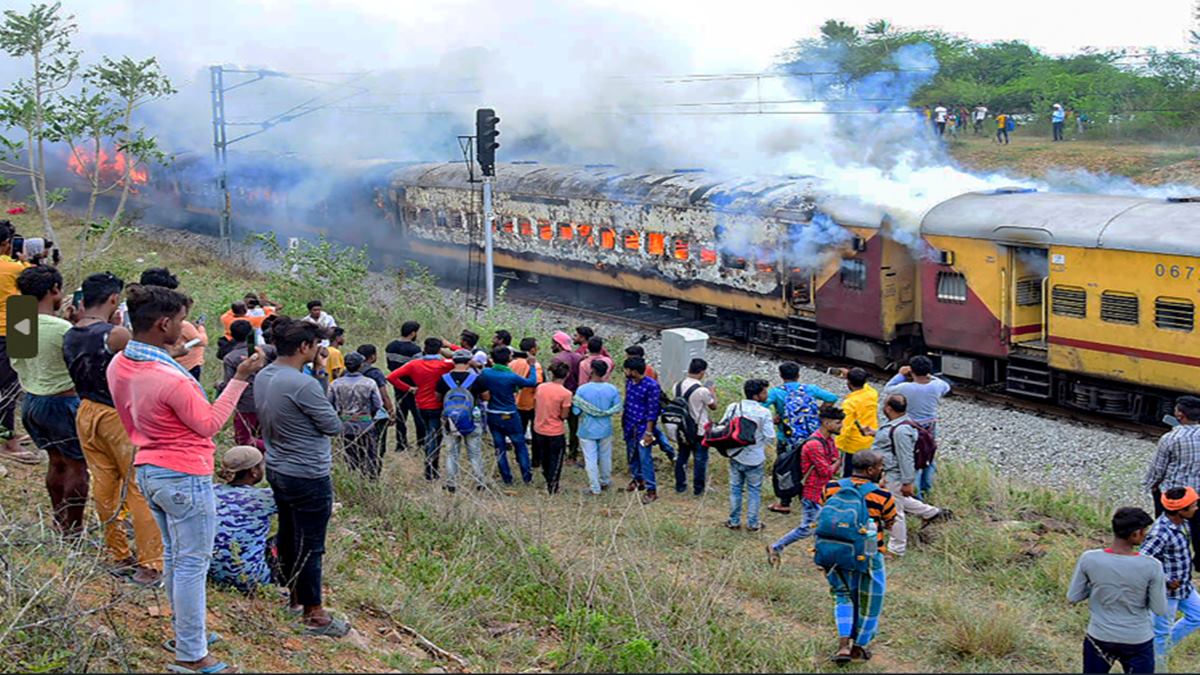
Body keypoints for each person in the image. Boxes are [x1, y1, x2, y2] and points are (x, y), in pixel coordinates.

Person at [109, 284, 264, 673]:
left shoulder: (120, 364)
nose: (187, 328)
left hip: (149, 469)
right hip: (184, 476)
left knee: (176, 557)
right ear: (164, 324)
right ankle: (192, 655)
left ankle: (185, 632)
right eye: (181, 321)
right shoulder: (172, 380)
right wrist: (241, 377)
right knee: (192, 564)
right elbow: (209, 424)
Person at [253, 317, 349, 638]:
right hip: (308, 473)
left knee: (290, 534)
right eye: (316, 345)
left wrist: (320, 372)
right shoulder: (301, 383)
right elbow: (332, 425)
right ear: (304, 346)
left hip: (278, 467)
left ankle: (294, 598)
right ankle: (313, 612)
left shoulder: (265, 375)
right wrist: (321, 378)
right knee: (312, 544)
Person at [63, 272, 161, 586]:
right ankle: (151, 563)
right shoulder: (115, 334)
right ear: (113, 299)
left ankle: (117, 553)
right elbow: (146, 360)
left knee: (104, 486)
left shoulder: (71, 332)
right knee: (137, 487)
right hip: (117, 415)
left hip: (85, 411)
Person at [11, 266, 87, 537]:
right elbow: (80, 366)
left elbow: (20, 360)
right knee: (78, 466)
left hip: (32, 402)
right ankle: (74, 529)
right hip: (62, 403)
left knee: (55, 462)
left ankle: (59, 520)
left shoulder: (20, 319)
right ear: (53, 290)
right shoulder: (63, 328)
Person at [1068, 506, 1168, 675]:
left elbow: (1074, 596)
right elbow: (1159, 609)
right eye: (1144, 531)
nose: (1146, 535)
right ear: (1135, 533)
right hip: (1137, 638)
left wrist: (1097, 585)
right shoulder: (1152, 566)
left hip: (1099, 635)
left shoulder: (1090, 558)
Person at [822, 451, 897, 664]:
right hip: (869, 552)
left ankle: (843, 645)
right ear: (871, 470)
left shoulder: (831, 487)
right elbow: (890, 523)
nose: (882, 470)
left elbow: (824, 513)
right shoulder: (882, 495)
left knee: (842, 594)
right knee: (871, 599)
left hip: (834, 551)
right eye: (880, 466)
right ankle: (859, 646)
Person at [873, 394, 949, 557]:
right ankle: (932, 513)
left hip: (896, 475)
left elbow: (905, 457)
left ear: (888, 408)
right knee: (900, 499)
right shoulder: (901, 424)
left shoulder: (900, 430)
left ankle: (896, 549)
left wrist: (908, 482)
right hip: (893, 474)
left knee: (894, 510)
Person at [766, 405, 843, 563]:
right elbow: (827, 471)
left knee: (822, 527)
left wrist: (834, 463)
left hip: (822, 491)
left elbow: (832, 464)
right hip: (812, 492)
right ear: (826, 423)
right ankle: (776, 546)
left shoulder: (828, 440)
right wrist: (837, 462)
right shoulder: (814, 445)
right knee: (807, 528)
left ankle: (822, 557)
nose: (841, 426)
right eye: (838, 423)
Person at [766, 362, 838, 515]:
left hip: (787, 439)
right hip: (811, 439)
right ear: (798, 375)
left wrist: (774, 418)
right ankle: (806, 497)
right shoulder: (810, 389)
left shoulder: (776, 392)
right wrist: (819, 411)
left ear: (781, 376)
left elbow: (762, 406)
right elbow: (832, 397)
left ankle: (785, 502)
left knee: (785, 469)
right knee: (808, 467)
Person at [1141, 487, 1200, 667]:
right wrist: (1166, 581)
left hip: (1184, 587)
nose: (1196, 508)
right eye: (1193, 506)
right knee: (1161, 634)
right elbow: (1143, 562)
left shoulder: (1181, 523)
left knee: (1197, 616)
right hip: (1166, 593)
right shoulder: (1160, 533)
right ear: (1181, 510)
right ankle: (1158, 666)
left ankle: (1160, 647)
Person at [210, 445, 279, 593]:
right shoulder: (265, 498)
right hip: (252, 579)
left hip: (209, 574)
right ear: (254, 472)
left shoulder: (210, 491)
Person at [1142, 395, 1200, 568]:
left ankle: (1166, 557)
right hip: (1198, 494)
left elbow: (1158, 468)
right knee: (1198, 529)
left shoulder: (1170, 438)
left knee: (1167, 526)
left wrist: (1151, 485)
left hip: (1173, 494)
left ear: (1180, 415)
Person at [387, 338, 454, 482]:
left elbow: (391, 377)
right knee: (434, 437)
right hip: (437, 405)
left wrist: (409, 388)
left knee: (429, 432)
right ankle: (431, 470)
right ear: (438, 350)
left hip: (421, 404)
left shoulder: (414, 364)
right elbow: (464, 357)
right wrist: (449, 348)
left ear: (424, 348)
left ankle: (430, 468)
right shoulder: (444, 365)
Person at [882, 355, 950, 497]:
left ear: (911, 371)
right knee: (927, 456)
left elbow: (888, 389)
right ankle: (927, 489)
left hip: (911, 427)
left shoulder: (905, 387)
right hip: (930, 427)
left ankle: (916, 494)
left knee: (913, 459)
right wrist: (930, 376)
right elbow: (946, 386)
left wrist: (900, 375)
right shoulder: (937, 386)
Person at [478, 347, 541, 486]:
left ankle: (507, 478)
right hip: (510, 414)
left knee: (499, 447)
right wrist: (531, 366)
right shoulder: (511, 377)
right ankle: (526, 477)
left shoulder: (486, 373)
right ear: (508, 360)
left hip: (493, 413)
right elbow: (531, 382)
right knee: (520, 445)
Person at [0, 221, 35, 464]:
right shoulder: (16, 269)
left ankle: (8, 432)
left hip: (16, 323)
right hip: (13, 327)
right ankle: (8, 442)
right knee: (9, 388)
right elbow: (38, 283)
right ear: (6, 244)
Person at [721, 379, 776, 531]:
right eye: (764, 392)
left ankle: (733, 521)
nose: (767, 394)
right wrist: (760, 443)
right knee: (754, 491)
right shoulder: (764, 412)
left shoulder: (733, 407)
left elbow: (723, 425)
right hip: (755, 458)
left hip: (735, 454)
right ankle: (753, 523)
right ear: (757, 395)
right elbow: (770, 436)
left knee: (735, 489)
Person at [435, 349, 489, 493]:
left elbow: (438, 398)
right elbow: (486, 397)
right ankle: (480, 482)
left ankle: (451, 483)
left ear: (454, 361)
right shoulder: (476, 379)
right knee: (475, 453)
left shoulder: (444, 379)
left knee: (452, 453)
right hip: (472, 419)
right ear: (469, 362)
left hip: (450, 420)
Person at [220, 319, 276, 452]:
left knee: (243, 440)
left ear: (232, 335)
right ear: (251, 334)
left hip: (245, 404)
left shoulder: (230, 357)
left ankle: (265, 455)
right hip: (267, 400)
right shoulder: (267, 350)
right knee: (265, 435)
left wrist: (220, 386)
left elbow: (230, 384)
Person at [328, 352, 383, 479]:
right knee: (370, 454)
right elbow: (378, 404)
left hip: (345, 423)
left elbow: (329, 404)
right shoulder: (369, 383)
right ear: (360, 365)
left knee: (350, 454)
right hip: (366, 423)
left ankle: (352, 477)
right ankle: (370, 479)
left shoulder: (336, 383)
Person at [573, 360, 622, 495]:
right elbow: (617, 407)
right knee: (605, 455)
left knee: (590, 458)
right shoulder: (612, 389)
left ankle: (595, 487)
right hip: (605, 427)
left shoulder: (582, 389)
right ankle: (605, 481)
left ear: (592, 371)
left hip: (587, 428)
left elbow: (576, 411)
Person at [669, 358, 717, 496]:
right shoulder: (702, 390)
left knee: (682, 456)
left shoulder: (676, 386)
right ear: (702, 372)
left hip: (682, 428)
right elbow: (713, 406)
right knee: (700, 459)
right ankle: (699, 488)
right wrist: (712, 391)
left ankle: (680, 486)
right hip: (699, 429)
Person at [622, 357, 663, 504]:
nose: (625, 372)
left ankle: (651, 490)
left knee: (645, 458)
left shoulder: (651, 386)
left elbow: (653, 411)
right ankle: (638, 479)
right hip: (629, 425)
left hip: (643, 428)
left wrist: (649, 432)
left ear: (633, 371)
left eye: (626, 369)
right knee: (631, 455)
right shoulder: (629, 382)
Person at [625, 344, 675, 461]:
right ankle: (669, 451)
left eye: (629, 357)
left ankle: (669, 451)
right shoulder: (649, 369)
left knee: (654, 431)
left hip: (644, 411)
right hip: (645, 411)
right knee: (654, 431)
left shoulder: (643, 373)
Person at [533, 361, 573, 494]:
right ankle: (553, 484)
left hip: (539, 428)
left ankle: (547, 478)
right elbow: (564, 415)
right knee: (556, 459)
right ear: (566, 375)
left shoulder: (541, 387)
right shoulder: (566, 393)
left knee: (544, 457)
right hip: (555, 431)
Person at [385, 321, 424, 454]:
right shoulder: (415, 349)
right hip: (413, 386)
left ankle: (400, 444)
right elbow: (419, 370)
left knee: (401, 415)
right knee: (418, 416)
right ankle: (421, 443)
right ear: (413, 333)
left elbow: (389, 366)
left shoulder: (390, 346)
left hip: (398, 384)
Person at [836, 367, 878, 478]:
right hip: (869, 440)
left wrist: (837, 447)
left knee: (850, 475)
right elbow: (866, 386)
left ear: (849, 382)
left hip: (853, 446)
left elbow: (845, 427)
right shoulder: (872, 394)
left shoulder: (850, 403)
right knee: (866, 474)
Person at [550, 330, 584, 461]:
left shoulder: (557, 359)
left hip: (559, 395)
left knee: (557, 424)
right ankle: (573, 453)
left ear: (559, 344)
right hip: (574, 395)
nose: (551, 346)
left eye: (553, 343)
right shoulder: (578, 357)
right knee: (574, 426)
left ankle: (559, 451)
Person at [355, 344, 395, 456]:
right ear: (372, 357)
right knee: (378, 446)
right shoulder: (375, 373)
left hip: (353, 415)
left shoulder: (348, 372)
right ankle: (374, 470)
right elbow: (384, 395)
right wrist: (390, 412)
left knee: (358, 445)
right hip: (376, 415)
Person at [512, 337, 543, 454]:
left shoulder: (512, 363)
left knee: (519, 432)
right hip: (530, 403)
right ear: (533, 350)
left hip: (515, 402)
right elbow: (537, 383)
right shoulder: (535, 365)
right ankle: (536, 458)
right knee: (536, 432)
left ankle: (519, 455)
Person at [175, 298, 208, 382]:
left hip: (177, 363)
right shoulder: (184, 325)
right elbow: (202, 341)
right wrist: (201, 328)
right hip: (190, 364)